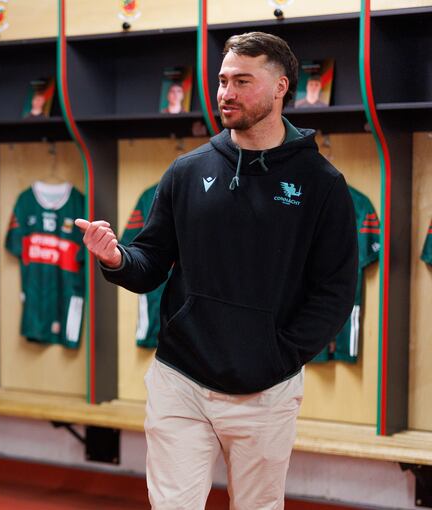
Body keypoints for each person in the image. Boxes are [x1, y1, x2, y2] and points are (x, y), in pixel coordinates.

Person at [76, 32, 357, 509]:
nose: (226, 93)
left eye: (242, 81)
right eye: (223, 80)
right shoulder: (186, 171)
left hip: (266, 389)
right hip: (180, 379)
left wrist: (279, 355)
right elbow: (149, 263)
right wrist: (116, 257)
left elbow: (334, 291)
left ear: (281, 87)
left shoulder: (322, 184)